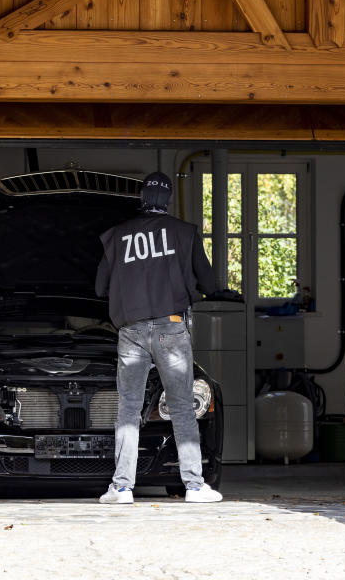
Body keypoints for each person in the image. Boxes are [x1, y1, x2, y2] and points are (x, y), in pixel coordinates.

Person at [95, 171, 223, 504]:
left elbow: (99, 288)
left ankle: (122, 487)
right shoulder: (185, 233)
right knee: (182, 409)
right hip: (171, 327)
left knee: (128, 409)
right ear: (168, 199)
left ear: (141, 196)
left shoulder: (117, 236)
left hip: (131, 331)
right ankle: (194, 486)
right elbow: (209, 284)